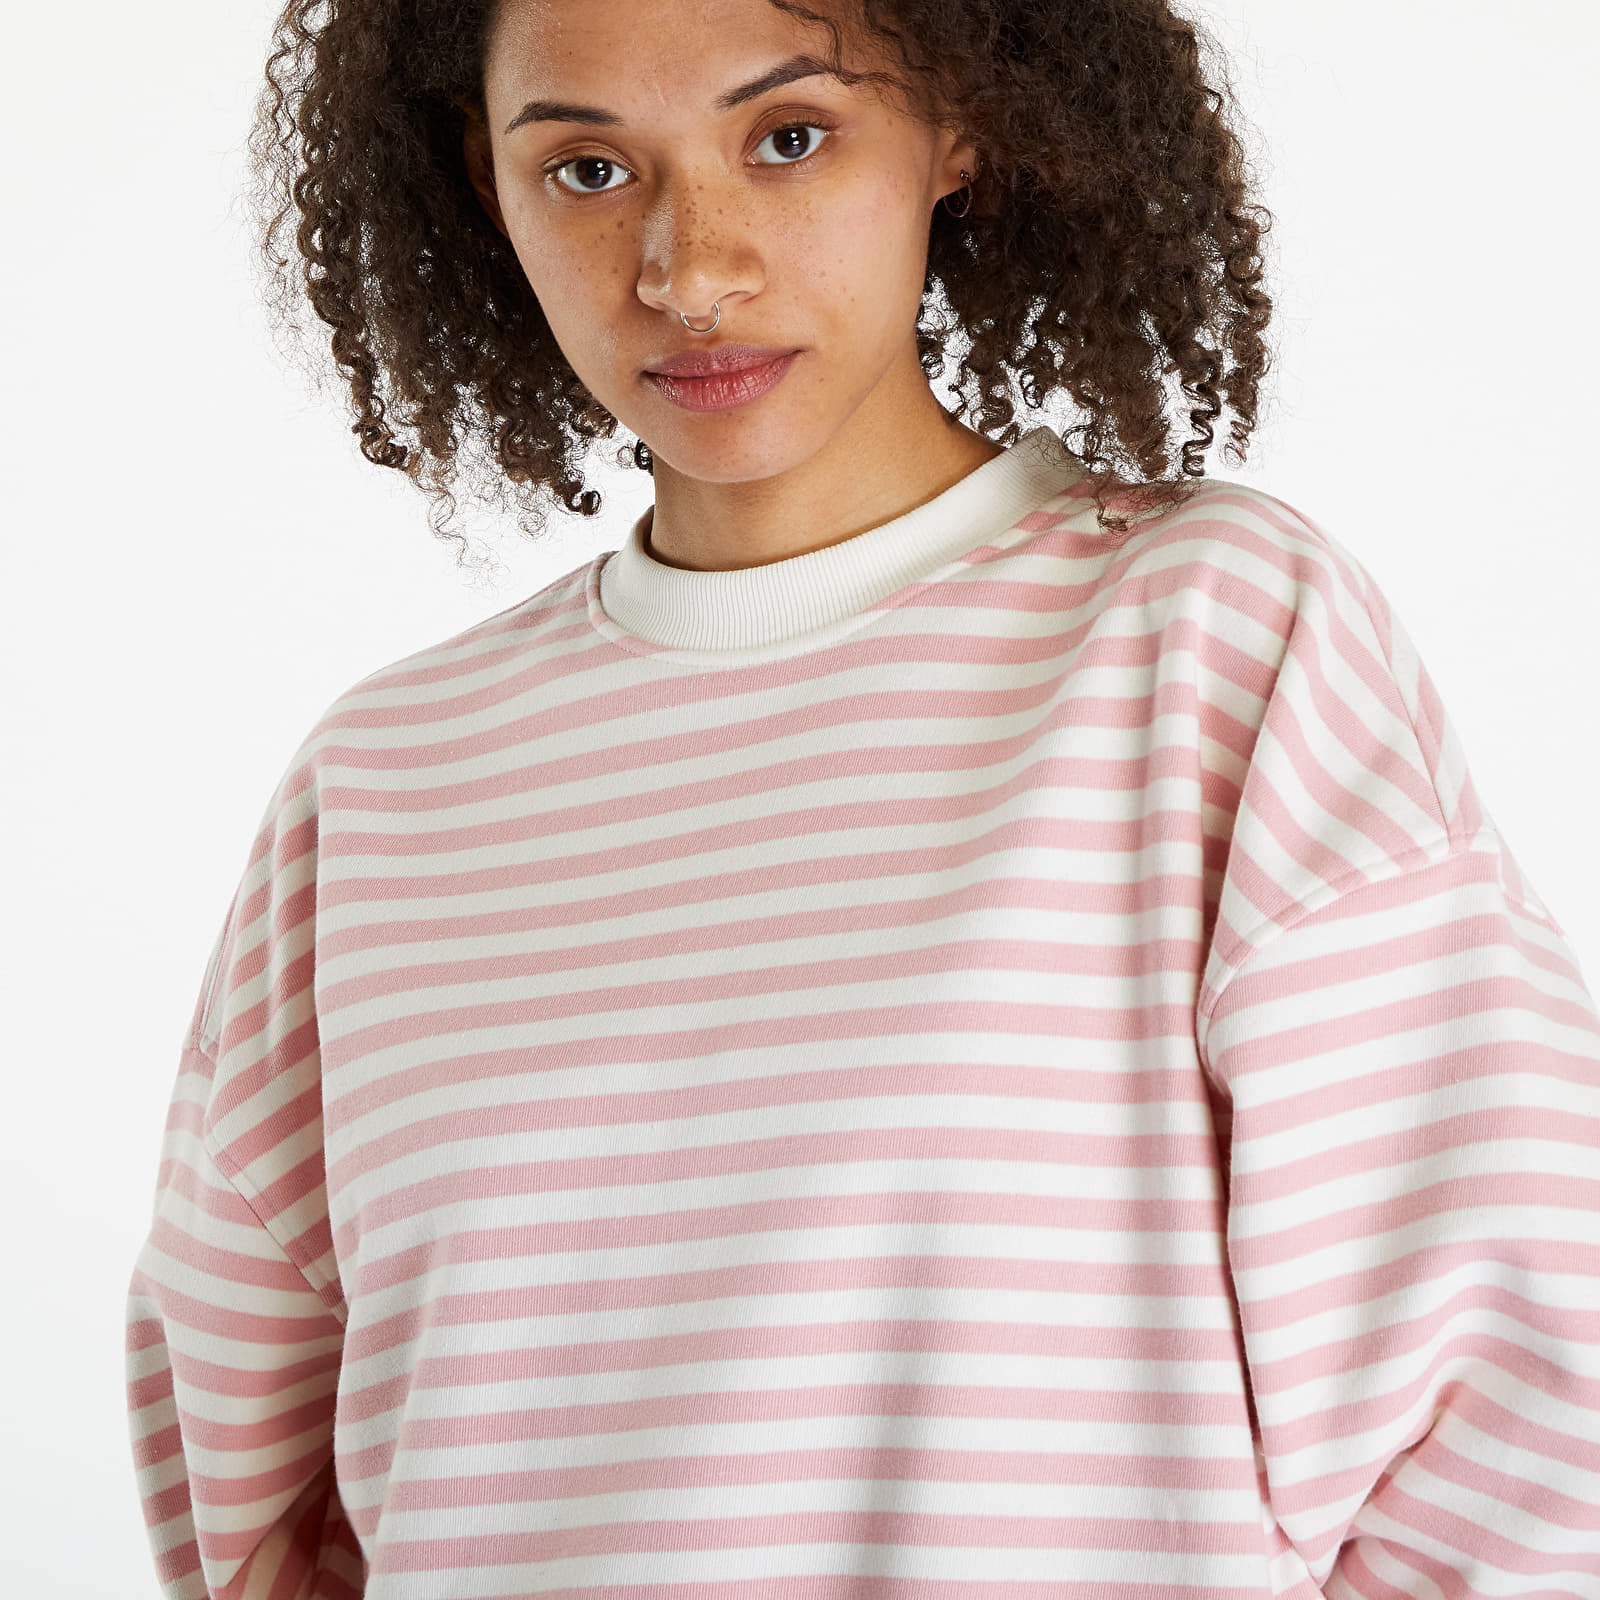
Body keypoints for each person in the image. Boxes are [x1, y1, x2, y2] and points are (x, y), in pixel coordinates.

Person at [123, 0, 1600, 1594]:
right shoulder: (386, 781)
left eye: (789, 137)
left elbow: (1520, 1404)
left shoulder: (1212, 644)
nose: (690, 270)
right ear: (489, 184)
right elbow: (247, 1490)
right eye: (589, 169)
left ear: (958, 123)